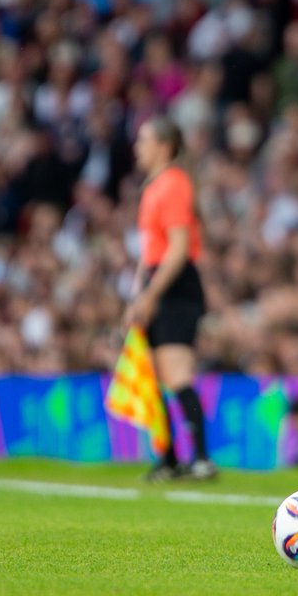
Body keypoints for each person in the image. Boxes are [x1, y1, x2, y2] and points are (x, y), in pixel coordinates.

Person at [123, 116, 218, 482]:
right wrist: (136, 296)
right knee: (157, 375)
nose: (137, 147)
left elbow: (178, 250)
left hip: (174, 285)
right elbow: (149, 251)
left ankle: (199, 458)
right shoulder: (153, 187)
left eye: (143, 140)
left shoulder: (173, 184)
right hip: (158, 281)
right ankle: (169, 458)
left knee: (177, 373)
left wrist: (148, 295)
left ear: (163, 146)